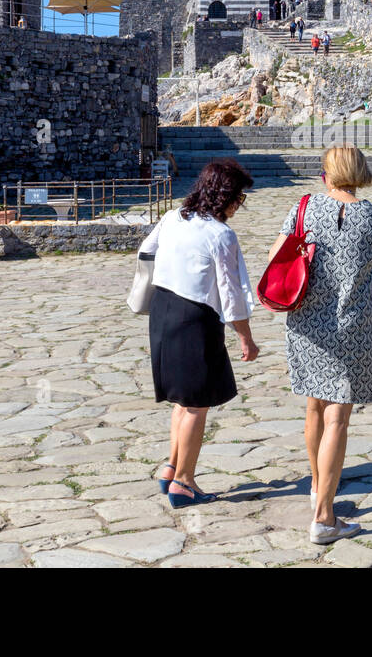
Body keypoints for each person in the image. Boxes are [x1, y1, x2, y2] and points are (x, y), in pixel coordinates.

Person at [267, 145, 372, 545]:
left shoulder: (303, 207)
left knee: (313, 408)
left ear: (327, 173)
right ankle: (323, 517)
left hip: (306, 323)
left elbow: (276, 257)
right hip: (351, 325)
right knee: (338, 417)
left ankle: (319, 488)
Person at [143, 159, 259, 507]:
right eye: (239, 196)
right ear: (225, 195)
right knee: (197, 404)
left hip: (163, 309)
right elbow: (231, 292)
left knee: (183, 400)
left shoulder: (172, 218)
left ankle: (171, 466)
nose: (240, 203)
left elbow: (146, 252)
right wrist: (245, 338)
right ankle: (184, 481)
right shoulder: (220, 235)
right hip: (195, 317)